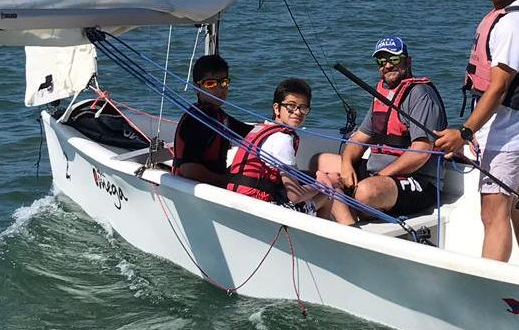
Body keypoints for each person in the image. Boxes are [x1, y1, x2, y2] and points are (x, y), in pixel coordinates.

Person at [435, 0, 519, 268]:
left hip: (505, 132)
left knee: (493, 213)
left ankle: (491, 286)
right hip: (512, 128)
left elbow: (498, 87)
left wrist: (463, 132)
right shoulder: (509, 18)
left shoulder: (513, 25)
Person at [314, 36, 446, 225]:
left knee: (365, 192)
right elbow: (359, 138)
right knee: (319, 161)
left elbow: (420, 153)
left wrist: (382, 175)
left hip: (418, 181)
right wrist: (347, 164)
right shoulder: (381, 95)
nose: (388, 65)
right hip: (377, 172)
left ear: (408, 61)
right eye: (381, 61)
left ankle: (348, 222)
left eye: (394, 59)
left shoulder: (420, 95)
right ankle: (347, 221)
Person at [225, 78, 320, 210]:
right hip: (258, 206)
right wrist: (323, 185)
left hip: (236, 196)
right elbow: (294, 195)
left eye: (303, 108)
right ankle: (345, 222)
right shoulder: (282, 139)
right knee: (330, 193)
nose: (297, 112)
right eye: (291, 106)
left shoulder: (260, 128)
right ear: (276, 108)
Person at [171, 54, 252, 186]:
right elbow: (188, 169)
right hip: (194, 190)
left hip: (213, 185)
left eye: (224, 82)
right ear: (196, 88)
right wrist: (226, 180)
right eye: (210, 84)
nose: (220, 89)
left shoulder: (217, 115)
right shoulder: (199, 120)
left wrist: (273, 128)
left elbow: (247, 132)